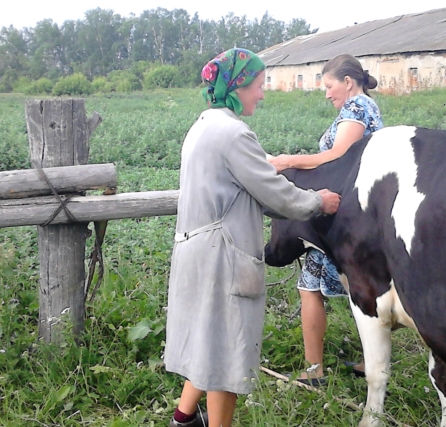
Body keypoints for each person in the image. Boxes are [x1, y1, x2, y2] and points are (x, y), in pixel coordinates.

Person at [164, 48, 342, 427]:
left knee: (206, 340)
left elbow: (254, 194)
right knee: (225, 352)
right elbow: (275, 193)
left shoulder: (203, 125)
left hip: (196, 248)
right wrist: (318, 201)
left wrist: (297, 203)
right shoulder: (234, 134)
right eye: (259, 86)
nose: (262, 94)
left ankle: (183, 418)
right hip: (221, 258)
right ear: (238, 86)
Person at [268, 54, 385, 385]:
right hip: (348, 211)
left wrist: (289, 161)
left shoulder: (357, 108)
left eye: (330, 86)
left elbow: (339, 155)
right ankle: (366, 362)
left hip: (343, 216)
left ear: (348, 82)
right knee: (347, 288)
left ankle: (315, 370)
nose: (326, 93)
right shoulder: (363, 107)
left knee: (322, 289)